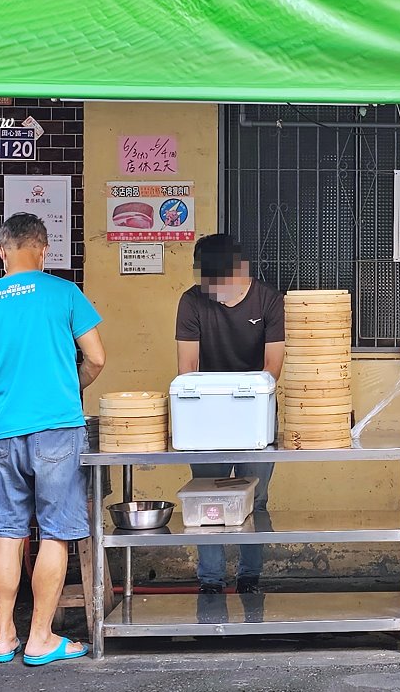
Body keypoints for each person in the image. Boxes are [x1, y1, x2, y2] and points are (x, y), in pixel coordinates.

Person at [0, 213, 105, 666]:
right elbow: (96, 359)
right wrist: (68, 386)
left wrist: (8, 391)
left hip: (4, 434)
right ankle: (41, 638)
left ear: (2, 253)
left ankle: (4, 639)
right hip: (58, 429)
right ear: (44, 249)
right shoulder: (65, 293)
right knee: (56, 534)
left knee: (6, 534)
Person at [176, 233, 285, 594]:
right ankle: (210, 580)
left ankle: (250, 577)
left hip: (255, 416)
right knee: (207, 496)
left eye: (220, 281)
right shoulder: (191, 302)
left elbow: (272, 367)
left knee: (255, 498)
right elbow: (187, 370)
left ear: (241, 271)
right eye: (208, 282)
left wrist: (245, 400)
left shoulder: (269, 300)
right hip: (205, 417)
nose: (214, 289)